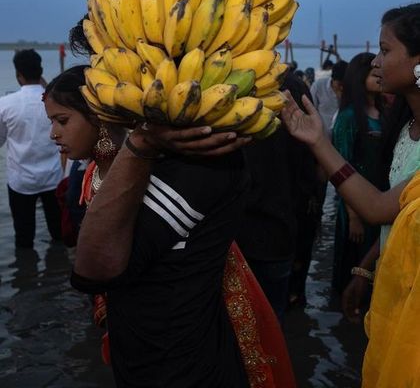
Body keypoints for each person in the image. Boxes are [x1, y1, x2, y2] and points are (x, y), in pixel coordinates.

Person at [44, 59, 296, 388]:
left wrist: (141, 143)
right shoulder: (93, 171)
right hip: (140, 348)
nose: (53, 134)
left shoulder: (191, 163)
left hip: (184, 360)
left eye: (62, 120)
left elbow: (94, 267)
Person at [280, 4, 420, 387]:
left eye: (386, 50)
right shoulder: (406, 125)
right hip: (393, 280)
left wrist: (318, 144)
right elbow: (397, 211)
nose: (376, 61)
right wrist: (367, 267)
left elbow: (377, 207)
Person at [236, 72, 319, 321]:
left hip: (234, 236)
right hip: (278, 231)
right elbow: (309, 173)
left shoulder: (227, 84)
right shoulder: (293, 85)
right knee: (271, 327)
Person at [331, 53, 386, 294]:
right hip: (356, 204)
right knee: (355, 264)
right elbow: (341, 166)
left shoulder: (385, 114)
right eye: (372, 72)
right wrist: (352, 216)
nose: (378, 71)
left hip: (383, 200)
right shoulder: (349, 118)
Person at [0, 49, 62, 248]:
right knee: (59, 233)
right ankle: (59, 271)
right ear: (41, 70)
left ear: (18, 75)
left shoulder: (5, 104)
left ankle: (25, 273)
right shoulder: (56, 102)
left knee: (24, 237)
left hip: (21, 181)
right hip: (53, 178)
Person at [310, 59, 348, 136]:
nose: (342, 88)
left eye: (344, 85)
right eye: (339, 84)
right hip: (322, 137)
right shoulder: (318, 86)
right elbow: (311, 110)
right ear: (333, 79)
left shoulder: (350, 90)